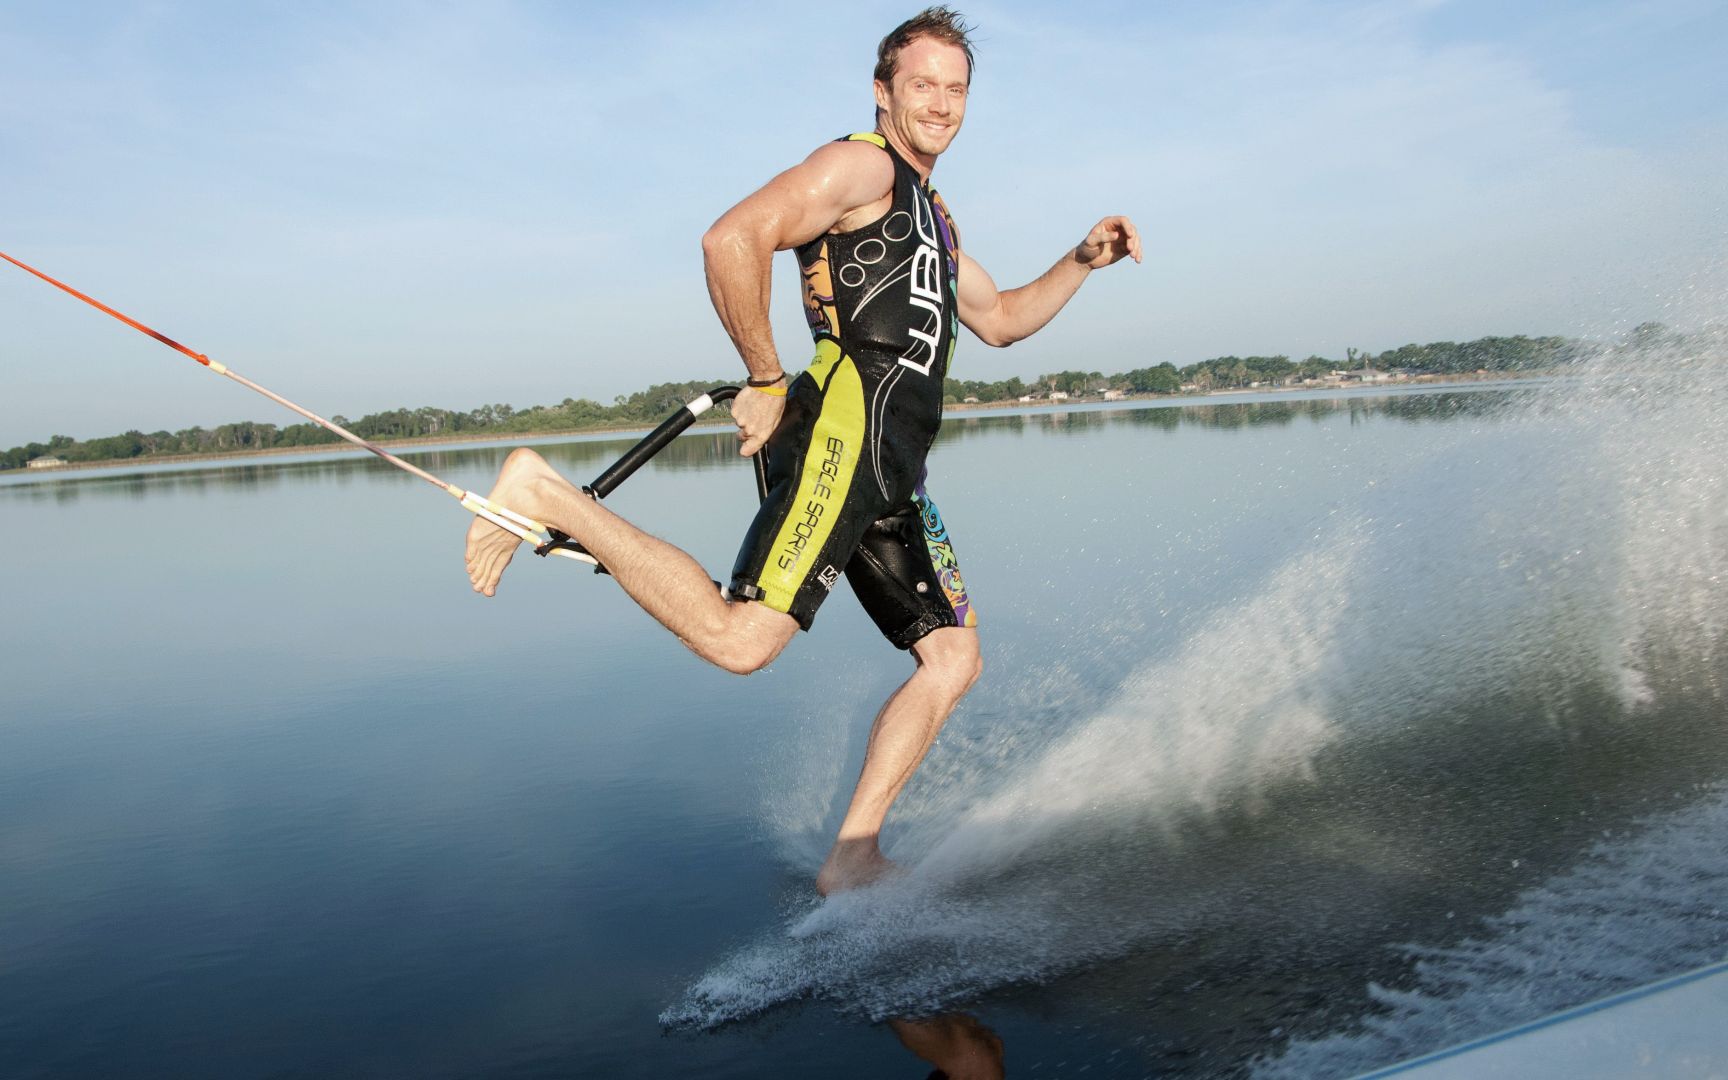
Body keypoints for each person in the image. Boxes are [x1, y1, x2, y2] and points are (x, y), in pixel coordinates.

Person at [463, 6, 1140, 895]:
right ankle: (549, 495)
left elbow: (1003, 319)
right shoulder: (861, 165)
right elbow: (730, 237)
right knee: (744, 643)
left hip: (892, 472)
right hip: (839, 438)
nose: (940, 103)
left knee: (953, 656)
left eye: (955, 88)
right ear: (884, 91)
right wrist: (767, 374)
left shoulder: (934, 214)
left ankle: (853, 857)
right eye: (922, 85)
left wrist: (1082, 259)